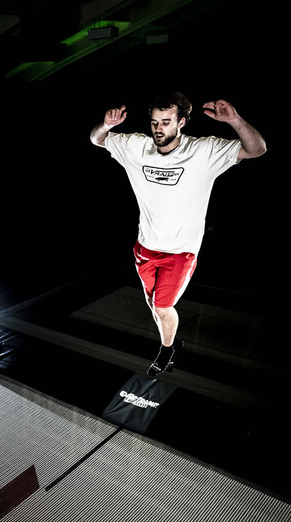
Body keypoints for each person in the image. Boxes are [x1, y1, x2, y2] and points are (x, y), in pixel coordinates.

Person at [89, 92, 266, 375]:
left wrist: (234, 120)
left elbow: (257, 149)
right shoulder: (137, 146)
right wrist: (106, 125)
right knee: (152, 303)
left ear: (181, 122)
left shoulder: (203, 151)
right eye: (155, 122)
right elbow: (96, 139)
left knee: (161, 308)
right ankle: (170, 342)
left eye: (166, 122)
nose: (159, 129)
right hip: (145, 246)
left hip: (180, 252)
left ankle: (167, 350)